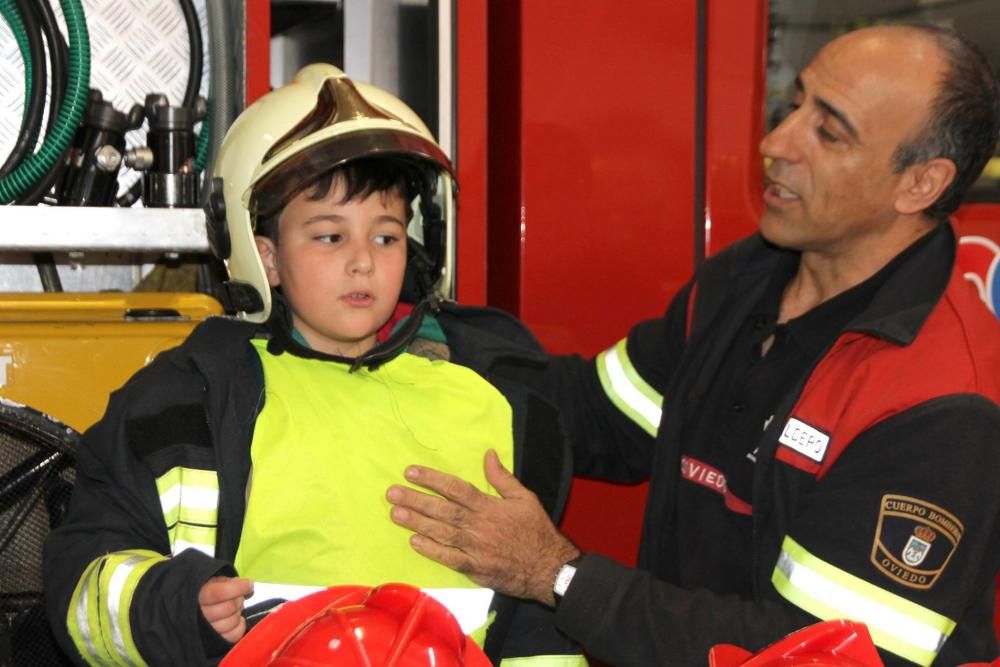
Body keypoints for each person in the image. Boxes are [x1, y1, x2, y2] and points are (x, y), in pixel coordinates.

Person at [386, 24, 1000, 666]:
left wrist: (559, 575)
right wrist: (424, 341)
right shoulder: (746, 279)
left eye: (829, 131)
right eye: (795, 106)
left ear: (920, 185)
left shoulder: (942, 401)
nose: (775, 143)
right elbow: (603, 416)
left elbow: (823, 656)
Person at [43, 64, 583, 666]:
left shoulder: (487, 404)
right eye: (329, 237)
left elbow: (530, 635)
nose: (363, 263)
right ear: (264, 255)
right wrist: (178, 606)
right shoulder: (182, 405)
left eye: (386, 237)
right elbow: (82, 592)